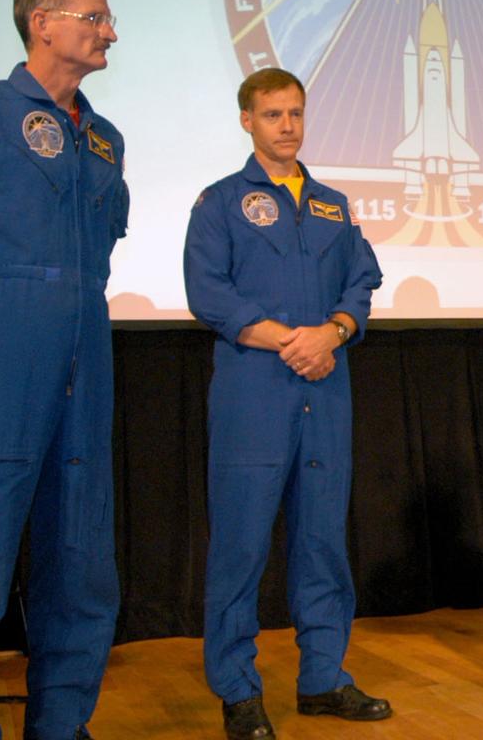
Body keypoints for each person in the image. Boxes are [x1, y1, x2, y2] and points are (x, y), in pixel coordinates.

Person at [183, 69, 388, 740]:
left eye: (295, 113)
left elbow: (362, 282)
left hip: (326, 390)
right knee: (241, 547)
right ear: (248, 120)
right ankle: (238, 689)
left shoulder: (332, 203)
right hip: (254, 392)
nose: (287, 126)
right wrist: (289, 341)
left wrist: (332, 332)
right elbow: (209, 293)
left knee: (323, 542)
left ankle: (324, 676)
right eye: (272, 114)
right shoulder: (219, 203)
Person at [0, 0, 127, 740]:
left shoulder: (105, 137)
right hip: (11, 335)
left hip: (86, 336)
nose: (109, 31)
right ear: (43, 23)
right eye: (96, 17)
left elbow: (107, 235)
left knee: (79, 546)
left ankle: (60, 723)